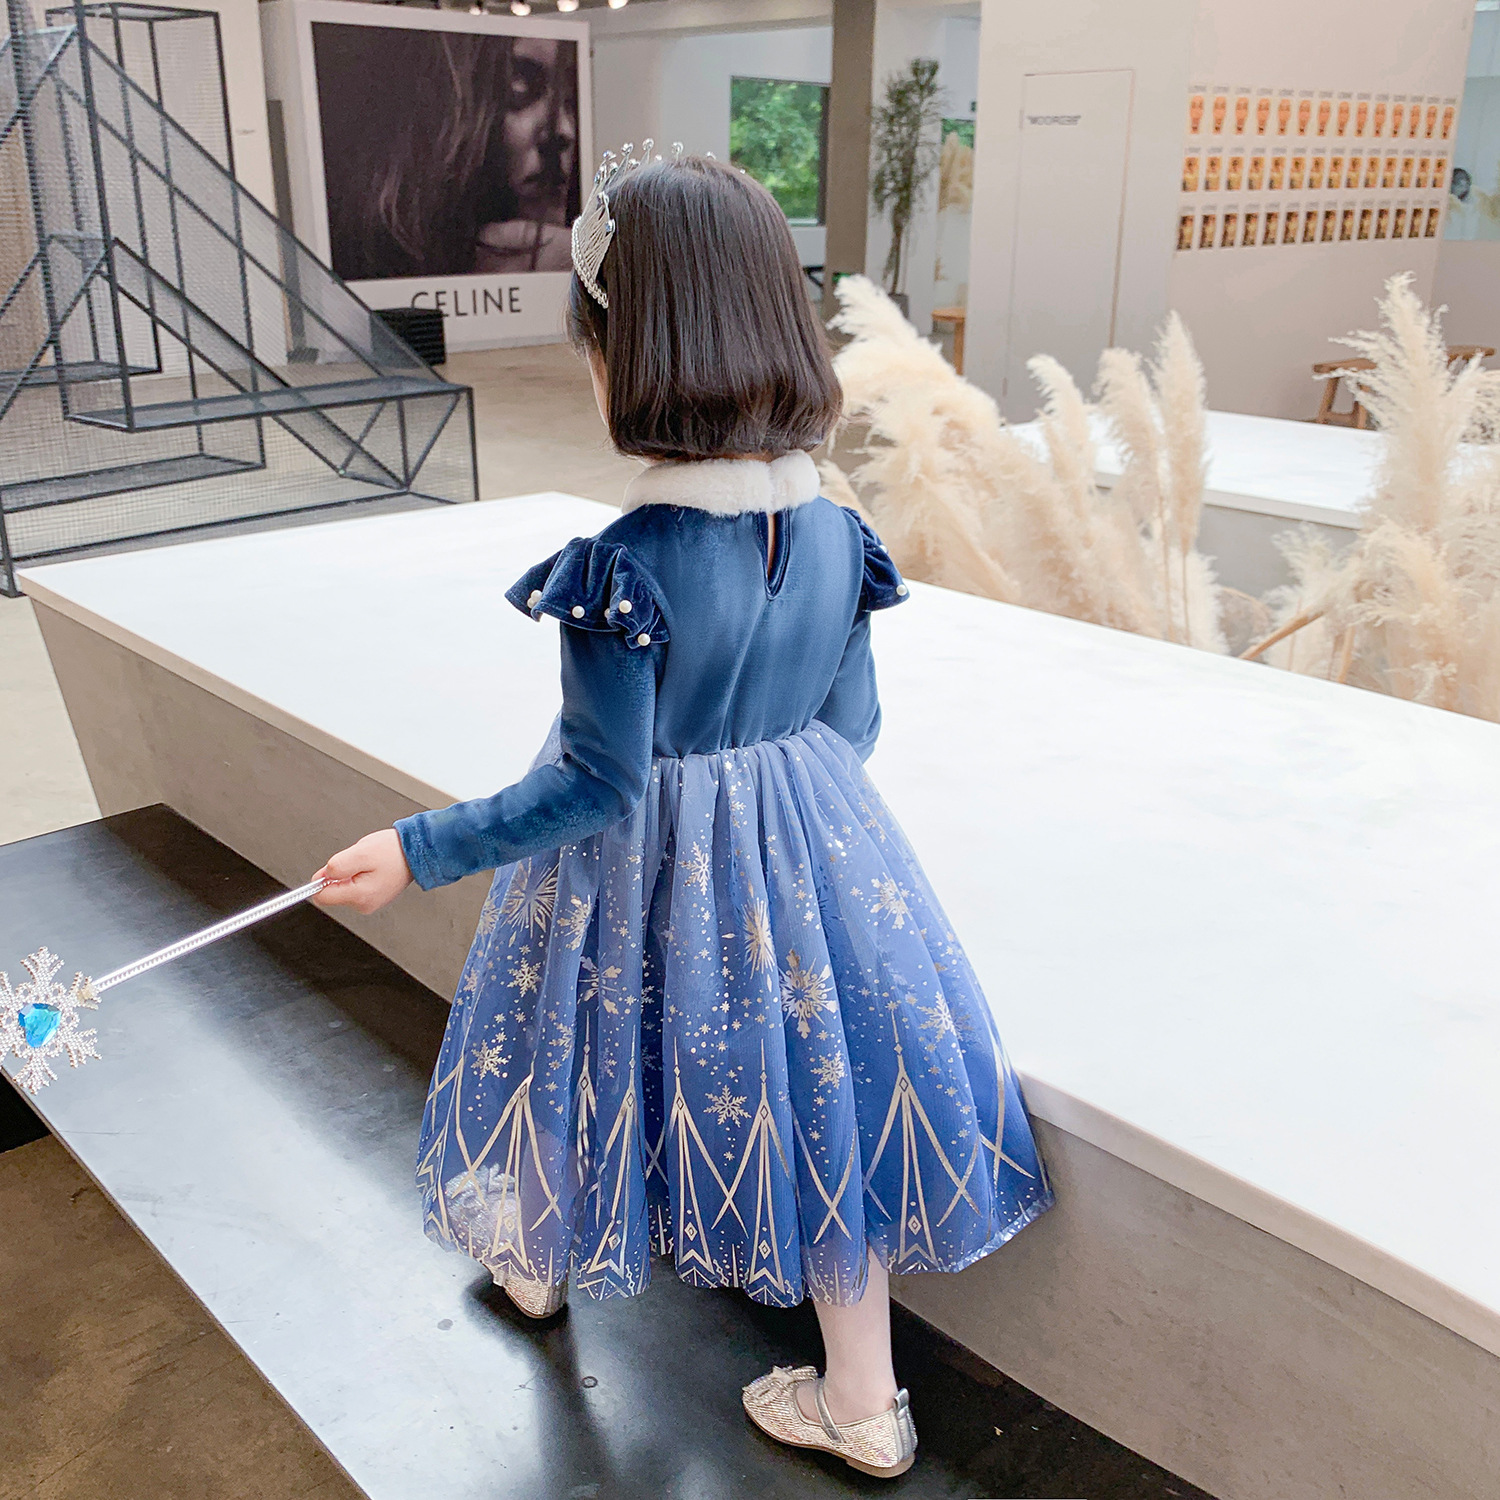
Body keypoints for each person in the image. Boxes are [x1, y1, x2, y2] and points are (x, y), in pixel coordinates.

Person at [313, 148, 1052, 1480]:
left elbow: (595, 782)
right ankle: (864, 1398)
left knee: (567, 1038)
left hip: (628, 872)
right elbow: (853, 729)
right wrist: (773, 833)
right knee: (818, 1097)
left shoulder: (624, 567)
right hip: (808, 855)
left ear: (625, 357)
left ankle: (537, 1260)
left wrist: (414, 849)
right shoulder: (835, 536)